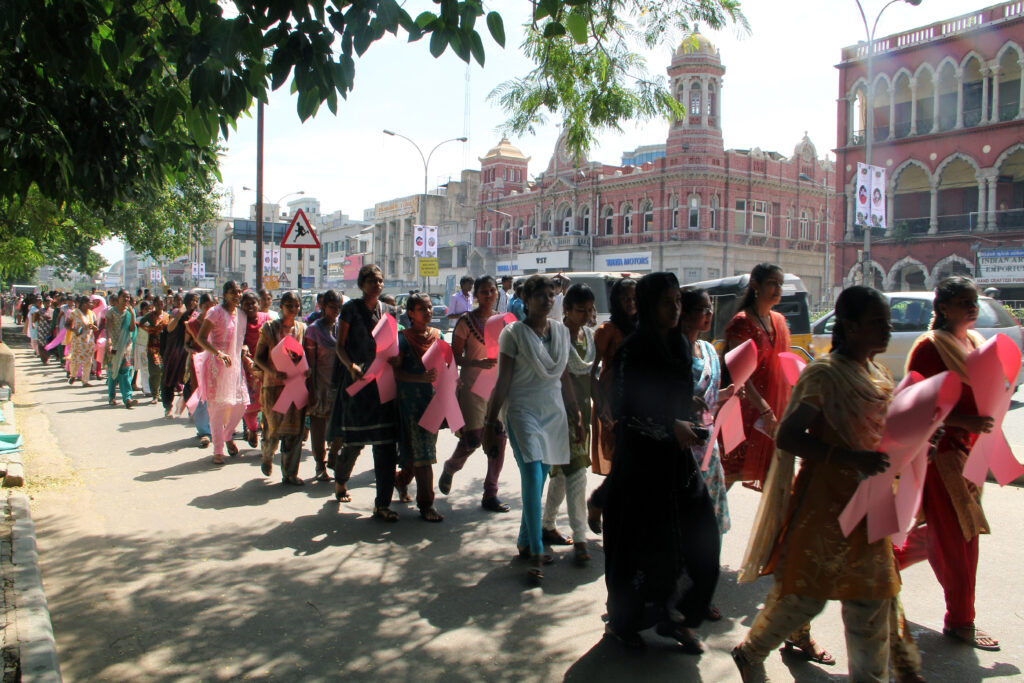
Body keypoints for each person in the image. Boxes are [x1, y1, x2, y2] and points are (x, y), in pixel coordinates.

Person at [732, 286, 899, 683]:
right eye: (877, 322)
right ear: (851, 327)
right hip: (826, 508)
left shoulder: (879, 374)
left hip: (870, 505)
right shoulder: (824, 374)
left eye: (887, 322)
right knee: (805, 598)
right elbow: (789, 437)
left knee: (871, 600)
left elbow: (886, 434)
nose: (887, 330)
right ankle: (750, 652)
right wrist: (849, 459)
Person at [602, 272, 720, 652]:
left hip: (677, 463)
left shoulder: (679, 345)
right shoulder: (633, 350)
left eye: (678, 302)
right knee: (640, 547)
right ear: (649, 305)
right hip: (641, 465)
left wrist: (688, 407)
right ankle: (626, 623)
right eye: (667, 303)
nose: (675, 309)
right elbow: (625, 409)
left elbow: (676, 395)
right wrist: (671, 423)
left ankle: (680, 618)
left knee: (701, 537)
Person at [894, 276, 1000, 651]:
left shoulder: (975, 342)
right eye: (964, 301)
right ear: (942, 308)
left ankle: (882, 565)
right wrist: (963, 421)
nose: (973, 307)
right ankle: (960, 621)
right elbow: (913, 405)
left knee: (946, 532)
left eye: (975, 301)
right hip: (942, 455)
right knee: (961, 537)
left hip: (972, 455)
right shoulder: (930, 348)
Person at [483, 274, 583, 583]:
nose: (548, 300)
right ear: (525, 300)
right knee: (532, 475)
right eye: (540, 295)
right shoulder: (513, 334)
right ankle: (537, 552)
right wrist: (490, 422)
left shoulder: (560, 332)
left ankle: (525, 541)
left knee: (538, 480)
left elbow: (564, 376)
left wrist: (576, 414)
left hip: (553, 412)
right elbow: (502, 381)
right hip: (522, 411)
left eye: (551, 295)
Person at [327, 264, 401, 520]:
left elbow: (394, 344)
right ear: (361, 284)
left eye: (380, 280)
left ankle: (382, 504)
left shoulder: (389, 311)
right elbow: (340, 346)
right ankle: (341, 481)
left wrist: (397, 361)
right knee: (354, 442)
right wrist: (351, 366)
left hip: (384, 385)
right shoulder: (351, 309)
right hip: (358, 383)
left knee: (386, 445)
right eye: (371, 280)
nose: (377, 284)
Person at [680, 285, 735, 620]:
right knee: (684, 523)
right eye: (702, 309)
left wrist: (726, 394)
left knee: (711, 522)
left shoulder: (709, 351)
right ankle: (680, 595)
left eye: (709, 308)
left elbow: (710, 398)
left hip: (708, 447)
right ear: (684, 313)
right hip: (681, 447)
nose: (709, 314)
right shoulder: (672, 351)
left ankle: (702, 592)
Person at [438, 276, 510, 513]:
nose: (488, 295)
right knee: (474, 437)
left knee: (498, 438)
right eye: (484, 291)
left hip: (498, 385)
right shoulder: (466, 321)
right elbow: (454, 356)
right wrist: (476, 362)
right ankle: (451, 467)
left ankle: (491, 492)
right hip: (473, 385)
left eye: (492, 291)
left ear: (497, 293)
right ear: (476, 295)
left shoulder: (504, 321)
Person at [722, 263, 791, 491]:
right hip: (744, 410)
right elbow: (740, 374)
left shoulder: (779, 321)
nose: (778, 289)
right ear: (755, 285)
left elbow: (783, 368)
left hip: (772, 411)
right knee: (726, 477)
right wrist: (764, 410)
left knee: (776, 480)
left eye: (780, 284)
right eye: (772, 283)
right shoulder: (742, 323)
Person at [541, 283, 596, 564]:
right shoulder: (556, 336)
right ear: (567, 309)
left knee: (563, 474)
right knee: (576, 476)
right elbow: (559, 376)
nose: (586, 316)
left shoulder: (589, 336)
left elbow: (591, 376)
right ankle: (581, 538)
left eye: (590, 310)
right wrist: (574, 412)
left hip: (583, 414)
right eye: (580, 310)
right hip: (562, 414)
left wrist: (602, 410)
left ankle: (547, 524)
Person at [585, 277, 637, 533]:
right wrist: (602, 405)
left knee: (633, 465)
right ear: (616, 301)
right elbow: (590, 371)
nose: (630, 303)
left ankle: (605, 505)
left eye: (634, 298)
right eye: (625, 299)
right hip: (612, 401)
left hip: (637, 403)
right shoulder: (607, 330)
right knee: (620, 463)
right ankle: (601, 504)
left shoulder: (644, 327)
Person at [390, 293, 445, 522]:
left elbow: (447, 365)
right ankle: (426, 504)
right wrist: (420, 378)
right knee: (424, 454)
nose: (429, 312)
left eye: (430, 307)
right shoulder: (403, 339)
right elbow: (397, 374)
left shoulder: (438, 335)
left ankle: (401, 480)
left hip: (434, 401)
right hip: (412, 402)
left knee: (420, 452)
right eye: (423, 308)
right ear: (411, 313)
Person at [254, 291, 308, 485]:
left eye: (296, 306)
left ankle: (289, 473)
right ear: (281, 307)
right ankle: (267, 456)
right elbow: (258, 358)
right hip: (273, 387)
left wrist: (306, 370)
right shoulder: (269, 329)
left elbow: (304, 356)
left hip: (295, 386)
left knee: (295, 431)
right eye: (288, 306)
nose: (293, 309)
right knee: (273, 429)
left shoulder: (302, 329)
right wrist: (272, 371)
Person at [196, 281, 249, 465]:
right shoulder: (215, 312)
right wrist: (218, 353)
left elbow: (239, 338)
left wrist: (244, 348)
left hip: (235, 367)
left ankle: (227, 435)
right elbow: (201, 338)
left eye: (239, 292)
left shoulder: (241, 314)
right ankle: (218, 451)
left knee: (241, 404)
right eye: (233, 292)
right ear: (225, 294)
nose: (237, 295)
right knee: (217, 410)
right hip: (216, 367)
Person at [304, 290, 342, 482]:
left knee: (340, 427)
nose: (336, 311)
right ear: (323, 307)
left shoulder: (342, 327)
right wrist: (311, 390)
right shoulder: (313, 330)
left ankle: (334, 455)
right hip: (320, 384)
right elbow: (309, 364)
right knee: (318, 427)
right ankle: (320, 463)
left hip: (339, 385)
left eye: (339, 308)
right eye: (332, 307)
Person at [184, 294, 216, 448]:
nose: (209, 309)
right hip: (198, 364)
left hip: (215, 362)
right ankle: (204, 431)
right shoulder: (192, 325)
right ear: (201, 307)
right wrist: (193, 351)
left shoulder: (218, 321)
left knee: (216, 395)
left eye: (211, 305)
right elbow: (186, 344)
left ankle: (216, 427)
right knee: (200, 395)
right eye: (206, 306)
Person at [239, 292, 270, 447]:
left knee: (268, 402)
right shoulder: (239, 321)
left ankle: (266, 434)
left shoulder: (267, 319)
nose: (250, 307)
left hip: (266, 366)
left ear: (258, 304)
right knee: (250, 404)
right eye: (247, 304)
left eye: (253, 303)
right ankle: (252, 429)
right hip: (247, 368)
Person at [161, 293, 197, 418]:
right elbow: (169, 328)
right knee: (168, 380)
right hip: (173, 352)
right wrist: (179, 315)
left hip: (187, 352)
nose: (195, 303)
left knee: (189, 382)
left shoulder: (195, 315)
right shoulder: (176, 312)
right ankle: (168, 408)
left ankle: (191, 409)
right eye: (193, 300)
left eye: (196, 301)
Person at [104, 290, 138, 409]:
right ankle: (111, 397)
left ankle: (127, 398)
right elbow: (107, 327)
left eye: (128, 297)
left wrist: (132, 314)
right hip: (114, 345)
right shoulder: (111, 312)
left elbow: (132, 329)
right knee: (113, 371)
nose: (126, 299)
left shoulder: (130, 312)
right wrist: (108, 341)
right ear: (118, 298)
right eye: (124, 297)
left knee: (125, 371)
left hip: (126, 345)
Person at [139, 296, 170, 403]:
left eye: (161, 303)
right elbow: (141, 325)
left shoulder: (167, 316)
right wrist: (150, 330)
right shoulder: (149, 316)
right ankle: (155, 395)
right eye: (157, 303)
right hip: (152, 347)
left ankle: (160, 392)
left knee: (162, 370)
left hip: (164, 347)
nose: (160, 305)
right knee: (154, 370)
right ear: (154, 304)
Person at [67, 296, 99, 386]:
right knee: (76, 360)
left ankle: (85, 381)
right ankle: (73, 375)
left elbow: (96, 327)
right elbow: (67, 325)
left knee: (88, 361)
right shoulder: (74, 313)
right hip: (78, 341)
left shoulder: (92, 314)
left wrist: (94, 327)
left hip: (89, 341)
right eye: (90, 302)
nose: (91, 304)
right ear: (84, 304)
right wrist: (74, 330)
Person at [132, 301, 151, 395]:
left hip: (151, 346)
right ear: (142, 310)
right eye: (146, 309)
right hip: (141, 346)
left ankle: (147, 386)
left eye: (150, 309)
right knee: (144, 368)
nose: (148, 311)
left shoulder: (153, 319)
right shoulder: (139, 320)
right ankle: (147, 389)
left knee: (150, 368)